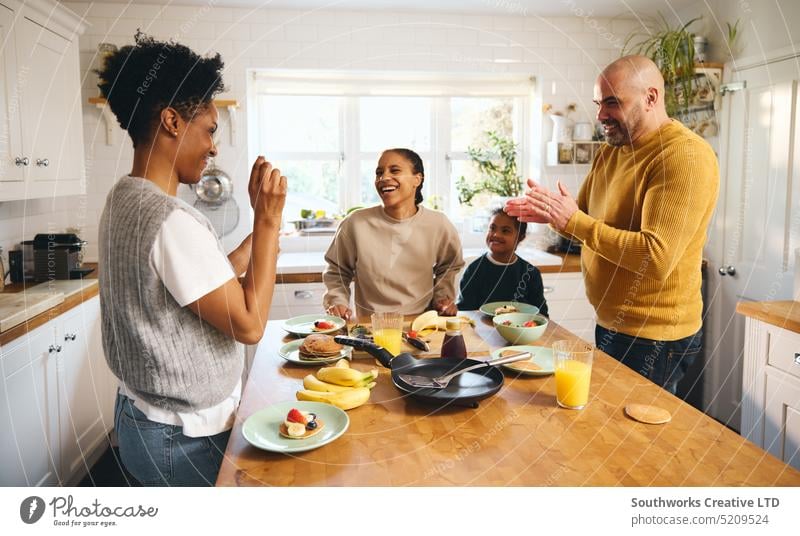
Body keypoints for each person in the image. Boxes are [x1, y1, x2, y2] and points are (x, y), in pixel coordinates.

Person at [96, 33, 286, 485]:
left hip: (142, 420)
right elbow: (249, 324)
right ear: (172, 122)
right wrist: (270, 225)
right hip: (181, 439)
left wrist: (258, 225)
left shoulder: (124, 198)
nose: (214, 147)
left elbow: (206, 281)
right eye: (210, 130)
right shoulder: (170, 220)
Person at [505, 55, 719, 395]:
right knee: (610, 434)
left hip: (654, 337)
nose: (601, 114)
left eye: (612, 102)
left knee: (637, 440)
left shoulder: (683, 157)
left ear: (651, 98)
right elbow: (585, 220)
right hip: (612, 325)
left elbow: (656, 256)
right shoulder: (612, 152)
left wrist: (574, 220)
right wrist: (554, 214)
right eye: (598, 103)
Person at [323, 148, 464, 319]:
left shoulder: (438, 224)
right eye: (379, 173)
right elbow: (336, 269)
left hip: (422, 324)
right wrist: (338, 301)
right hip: (371, 325)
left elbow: (450, 266)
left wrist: (442, 297)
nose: (383, 178)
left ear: (417, 179)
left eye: (395, 170)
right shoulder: (355, 223)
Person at [457, 207, 549, 316]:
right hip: (482, 331)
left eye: (505, 231)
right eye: (492, 228)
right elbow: (465, 312)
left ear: (520, 237)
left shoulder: (531, 273)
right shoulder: (474, 270)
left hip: (520, 331)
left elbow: (541, 314)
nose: (496, 234)